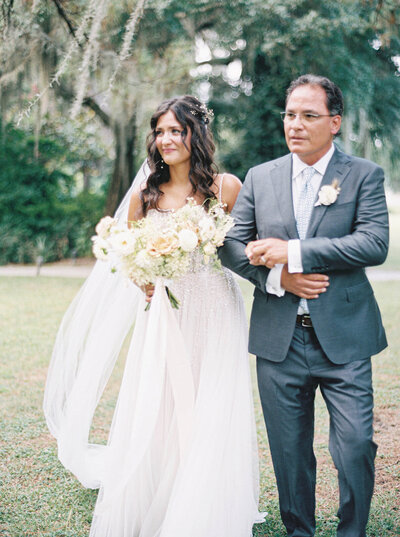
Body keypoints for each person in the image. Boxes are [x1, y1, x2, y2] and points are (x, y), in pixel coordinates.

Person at [44, 95, 264, 537]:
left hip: (216, 311)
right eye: (160, 131)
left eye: (176, 130)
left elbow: (245, 254)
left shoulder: (226, 188)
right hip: (163, 315)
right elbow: (129, 261)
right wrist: (142, 280)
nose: (166, 139)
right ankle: (161, 492)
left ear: (195, 135)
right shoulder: (144, 197)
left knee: (212, 400)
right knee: (161, 403)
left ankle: (205, 501)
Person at [219, 74, 389, 537]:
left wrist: (294, 252)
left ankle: (352, 530)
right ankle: (299, 531)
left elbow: (374, 243)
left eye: (309, 116)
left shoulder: (364, 175)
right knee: (289, 451)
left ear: (334, 122)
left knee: (354, 444)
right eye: (290, 115)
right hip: (279, 338)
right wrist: (278, 276)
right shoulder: (260, 176)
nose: (296, 124)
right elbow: (231, 244)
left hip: (346, 337)